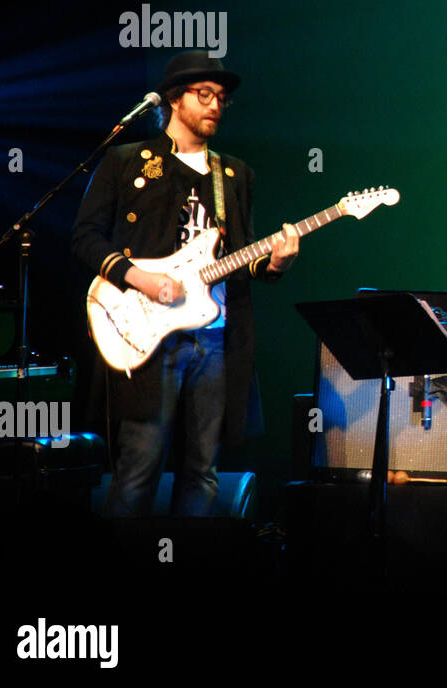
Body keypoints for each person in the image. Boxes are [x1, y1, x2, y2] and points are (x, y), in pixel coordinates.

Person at [73, 50, 298, 516]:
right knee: (138, 469)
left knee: (203, 472)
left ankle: (190, 568)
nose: (216, 104)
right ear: (175, 100)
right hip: (148, 335)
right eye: (205, 95)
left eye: (222, 98)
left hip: (214, 340)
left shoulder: (234, 174)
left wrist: (274, 262)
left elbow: (243, 255)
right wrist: (141, 278)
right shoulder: (126, 162)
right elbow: (85, 238)